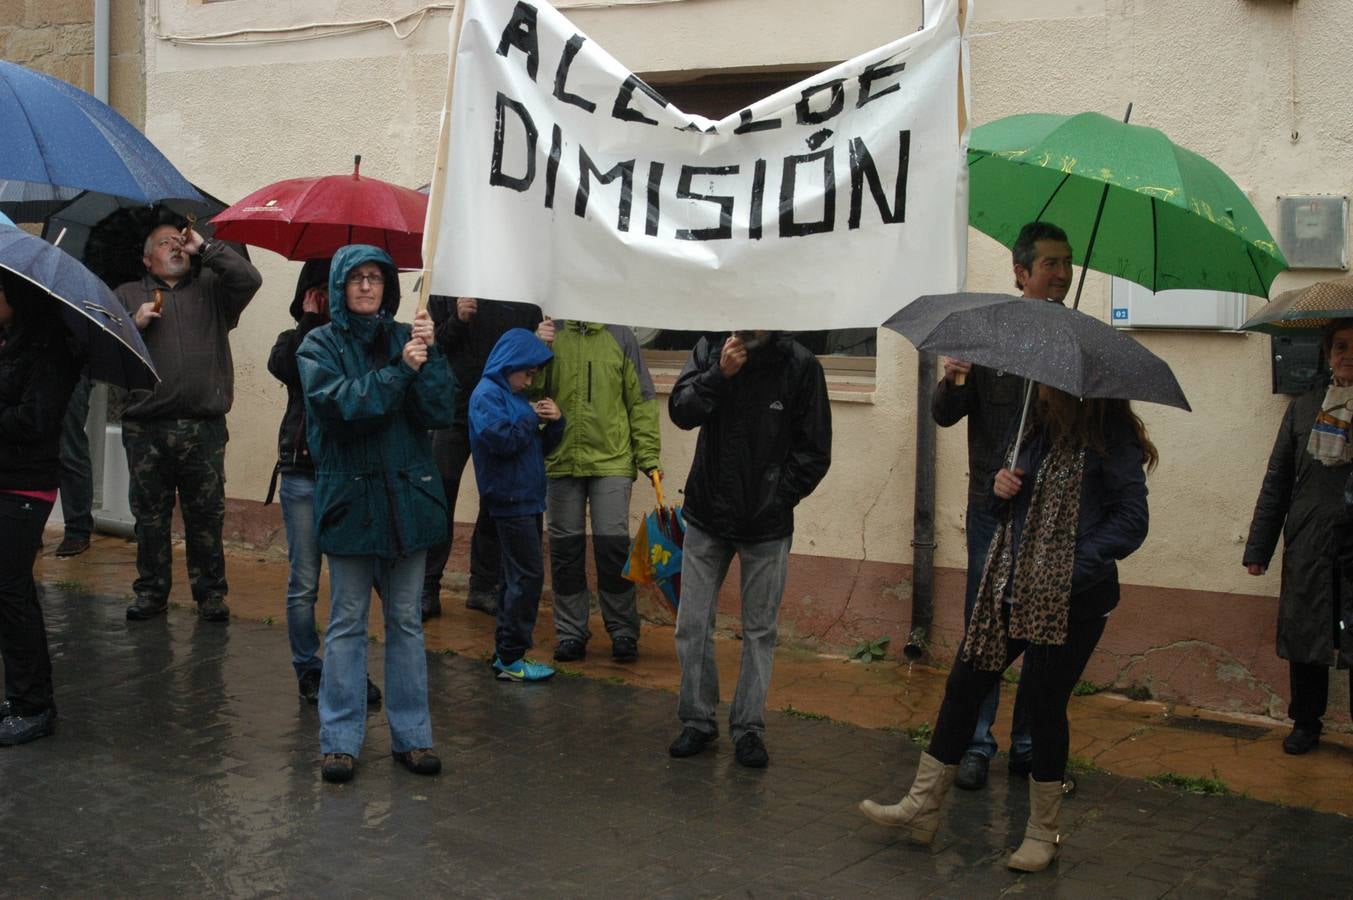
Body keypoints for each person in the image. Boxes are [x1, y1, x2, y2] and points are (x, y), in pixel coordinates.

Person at [861, 385, 1155, 872]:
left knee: (1043, 704)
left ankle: (1042, 833)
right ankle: (921, 806)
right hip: (1011, 583)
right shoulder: (1036, 429)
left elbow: (1132, 521)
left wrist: (1068, 567)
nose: (1038, 388)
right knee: (964, 684)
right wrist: (1000, 492)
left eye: (1047, 384)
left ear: (1075, 391)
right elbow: (1008, 512)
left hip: (1072, 600)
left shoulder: (1111, 438)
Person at [297, 246, 456, 783]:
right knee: (346, 624)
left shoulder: (405, 339)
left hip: (408, 503)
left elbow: (438, 411)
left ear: (388, 287)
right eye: (356, 279)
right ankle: (339, 740)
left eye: (376, 278)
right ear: (340, 286)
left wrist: (429, 358)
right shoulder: (318, 344)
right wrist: (399, 372)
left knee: (406, 623)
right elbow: (341, 409)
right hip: (350, 504)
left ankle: (413, 737)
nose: (367, 287)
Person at [931, 221, 1074, 791]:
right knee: (984, 628)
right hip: (991, 512)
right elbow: (943, 414)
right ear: (1021, 274)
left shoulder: (1073, 342)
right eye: (1050, 265)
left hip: (1049, 518)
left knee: (1043, 632)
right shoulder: (986, 335)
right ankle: (976, 741)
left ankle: (1030, 745)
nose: (1062, 275)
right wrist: (956, 381)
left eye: (1067, 264)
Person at [666, 330, 831, 768]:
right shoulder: (709, 348)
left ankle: (749, 728)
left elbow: (815, 451)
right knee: (692, 624)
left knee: (759, 631)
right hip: (706, 514)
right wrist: (719, 375)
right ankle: (698, 720)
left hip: (766, 524)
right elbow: (681, 412)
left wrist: (777, 496)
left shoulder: (800, 364)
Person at [116, 224, 262, 622]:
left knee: (206, 515)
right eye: (165, 243)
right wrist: (134, 323)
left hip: (203, 427)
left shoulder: (212, 290)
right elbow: (102, 348)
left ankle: (211, 594)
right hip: (146, 429)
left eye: (180, 242)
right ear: (147, 259)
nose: (176, 247)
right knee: (149, 516)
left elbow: (250, 278)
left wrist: (207, 247)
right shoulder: (127, 294)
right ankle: (150, 593)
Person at [266, 259, 380, 707]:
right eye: (319, 291)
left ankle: (349, 667)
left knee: (353, 585)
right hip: (303, 475)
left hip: (351, 474)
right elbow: (291, 369)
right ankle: (309, 667)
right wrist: (310, 321)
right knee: (305, 581)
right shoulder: (294, 341)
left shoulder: (363, 341)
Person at [1244, 317, 1353, 756]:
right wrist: (1259, 548)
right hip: (1309, 540)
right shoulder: (1305, 409)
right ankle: (1306, 722)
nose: (1348, 355)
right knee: (1308, 637)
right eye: (1341, 346)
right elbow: (1277, 481)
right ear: (1327, 354)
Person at [534, 318, 662, 663]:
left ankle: (622, 630)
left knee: (612, 549)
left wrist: (648, 456)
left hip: (612, 461)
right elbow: (528, 391)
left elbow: (642, 399)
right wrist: (537, 349)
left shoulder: (621, 335)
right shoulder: (549, 333)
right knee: (565, 552)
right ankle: (571, 633)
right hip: (561, 459)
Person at [421, 295, 542, 621]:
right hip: (454, 410)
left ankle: (483, 586)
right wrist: (458, 319)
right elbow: (435, 347)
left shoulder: (523, 292)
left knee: (494, 501)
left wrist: (540, 339)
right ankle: (427, 587)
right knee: (439, 499)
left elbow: (530, 358)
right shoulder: (451, 283)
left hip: (501, 414)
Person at [0, 272, 80, 745]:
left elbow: (35, 419)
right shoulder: (10, 344)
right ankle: (22, 693)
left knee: (11, 592)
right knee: (8, 593)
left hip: (25, 490)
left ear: (19, 300)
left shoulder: (50, 353)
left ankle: (35, 705)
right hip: (5, 480)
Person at [469, 328, 564, 683]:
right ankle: (510, 657)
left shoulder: (509, 397)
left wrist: (555, 423)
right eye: (528, 372)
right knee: (526, 577)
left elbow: (537, 448)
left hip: (524, 497)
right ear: (511, 364)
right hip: (510, 499)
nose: (529, 381)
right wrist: (532, 418)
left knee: (517, 577)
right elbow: (502, 439)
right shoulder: (487, 395)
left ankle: (506, 654)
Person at [54, 373, 94, 558]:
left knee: (69, 449)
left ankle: (77, 529)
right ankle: (27, 523)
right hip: (30, 364)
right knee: (26, 444)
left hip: (72, 369)